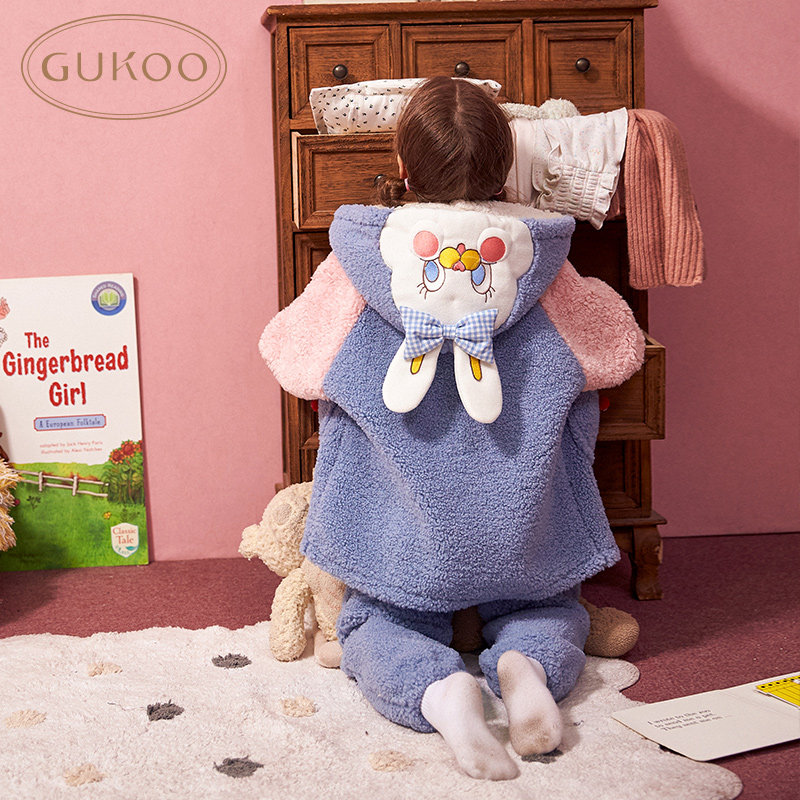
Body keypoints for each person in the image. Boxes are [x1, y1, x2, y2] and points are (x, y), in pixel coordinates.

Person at [259, 76, 644, 780]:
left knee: (374, 623)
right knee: (549, 609)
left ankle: (440, 692)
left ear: (403, 169)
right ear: (506, 167)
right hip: (522, 527)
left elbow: (291, 357)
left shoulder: (359, 259)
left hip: (396, 534)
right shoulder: (543, 260)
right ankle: (527, 668)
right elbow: (617, 350)